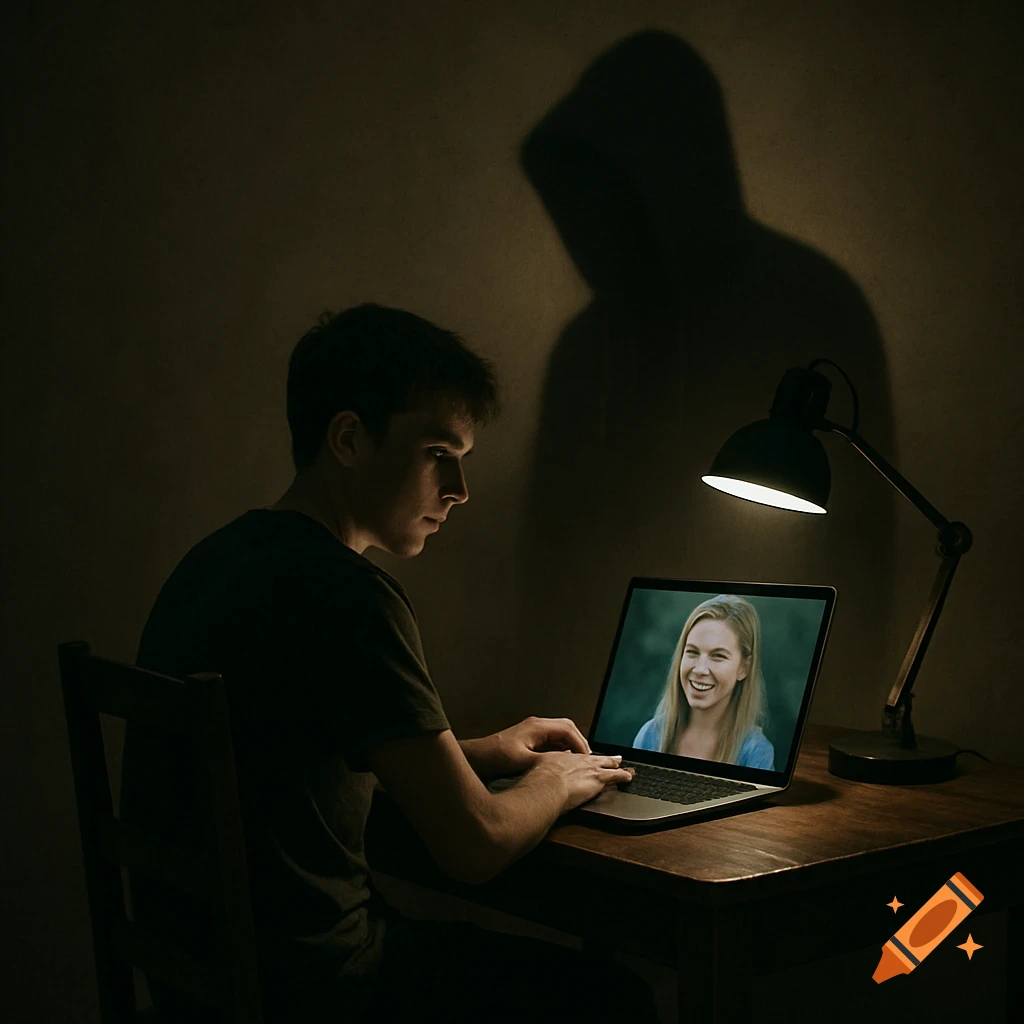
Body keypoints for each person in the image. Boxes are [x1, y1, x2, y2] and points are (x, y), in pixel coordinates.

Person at [120, 303, 658, 1024]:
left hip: (200, 989)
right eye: (439, 453)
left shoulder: (213, 564)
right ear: (348, 438)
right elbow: (476, 846)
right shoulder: (350, 599)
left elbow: (288, 762)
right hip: (323, 992)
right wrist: (558, 782)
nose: (460, 488)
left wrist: (481, 754)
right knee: (613, 999)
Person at [632, 595, 775, 770]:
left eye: (718, 656)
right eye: (692, 652)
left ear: (743, 668)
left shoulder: (755, 752)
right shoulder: (650, 735)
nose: (700, 669)